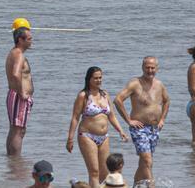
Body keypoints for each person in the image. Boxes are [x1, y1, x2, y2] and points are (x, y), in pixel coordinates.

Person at [66, 66, 128, 188]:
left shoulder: (105, 94)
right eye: (95, 78)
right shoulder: (83, 96)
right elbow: (75, 118)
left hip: (104, 137)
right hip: (87, 136)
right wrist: (70, 138)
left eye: (100, 78)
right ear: (89, 79)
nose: (98, 80)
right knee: (94, 171)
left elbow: (112, 116)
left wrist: (121, 131)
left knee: (105, 172)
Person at [114, 56, 170, 187]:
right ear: (142, 67)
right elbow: (118, 100)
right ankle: (152, 186)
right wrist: (129, 120)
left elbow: (167, 101)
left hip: (154, 129)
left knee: (144, 162)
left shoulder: (159, 84)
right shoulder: (135, 83)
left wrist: (162, 119)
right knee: (147, 160)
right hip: (139, 128)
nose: (150, 70)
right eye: (147, 67)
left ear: (157, 68)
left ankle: (134, 185)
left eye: (152, 68)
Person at [7, 25, 34, 155]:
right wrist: (22, 92)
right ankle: (16, 161)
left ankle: (12, 161)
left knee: (15, 129)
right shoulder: (18, 55)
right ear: (20, 40)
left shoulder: (14, 52)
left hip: (14, 94)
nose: (31, 41)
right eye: (29, 39)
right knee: (19, 130)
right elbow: (15, 74)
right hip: (18, 96)